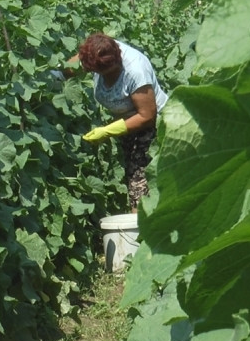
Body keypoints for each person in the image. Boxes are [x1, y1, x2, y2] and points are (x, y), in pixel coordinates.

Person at [55, 33, 168, 212]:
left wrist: (108, 131)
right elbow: (74, 66)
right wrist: (54, 75)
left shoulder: (135, 71)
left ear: (115, 63)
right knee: (135, 177)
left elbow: (147, 116)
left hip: (153, 127)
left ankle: (144, 231)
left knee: (140, 184)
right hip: (125, 125)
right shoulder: (96, 52)